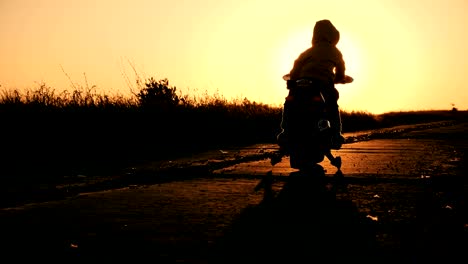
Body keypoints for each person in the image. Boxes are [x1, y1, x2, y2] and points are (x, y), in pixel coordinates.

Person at [272, 19, 353, 168]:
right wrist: (340, 78)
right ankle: (335, 133)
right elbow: (341, 71)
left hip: (300, 84)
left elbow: (296, 66)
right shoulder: (335, 51)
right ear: (333, 37)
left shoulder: (308, 51)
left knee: (290, 103)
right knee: (332, 104)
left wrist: (293, 79)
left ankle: (285, 131)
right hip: (322, 85)